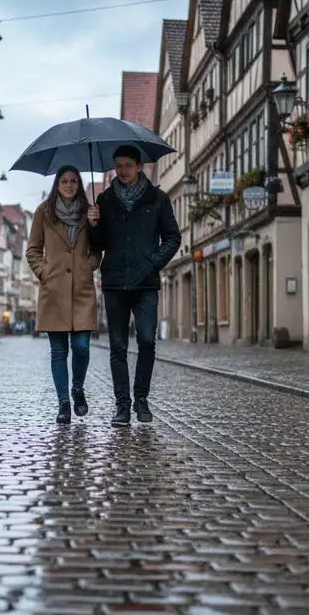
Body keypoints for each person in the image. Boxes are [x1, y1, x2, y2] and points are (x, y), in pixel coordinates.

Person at [87, 145, 181, 427]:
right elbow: (98, 245)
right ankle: (122, 406)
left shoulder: (158, 199)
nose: (122, 170)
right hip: (115, 282)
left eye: (128, 165)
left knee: (146, 340)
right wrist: (93, 225)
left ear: (140, 166)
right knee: (117, 346)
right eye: (118, 165)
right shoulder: (104, 200)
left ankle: (141, 398)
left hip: (146, 282)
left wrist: (152, 263)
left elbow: (173, 238)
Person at [26, 165, 102, 424]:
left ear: (79, 184)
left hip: (81, 289)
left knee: (81, 346)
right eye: (64, 181)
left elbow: (98, 248)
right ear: (57, 185)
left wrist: (89, 262)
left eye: (73, 181)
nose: (69, 185)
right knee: (58, 351)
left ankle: (77, 388)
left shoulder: (89, 212)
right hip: (54, 290)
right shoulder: (43, 213)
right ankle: (63, 404)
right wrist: (45, 272)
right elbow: (33, 250)